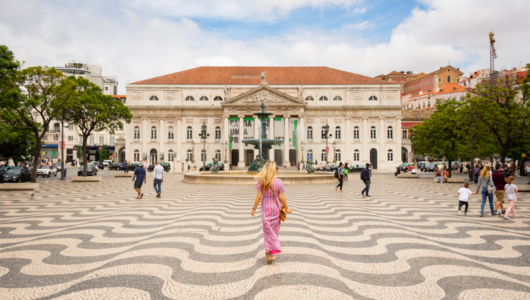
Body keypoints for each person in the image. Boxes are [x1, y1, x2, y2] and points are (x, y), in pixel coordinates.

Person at [251, 161, 292, 264]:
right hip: (276, 209)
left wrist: (254, 209)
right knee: (274, 230)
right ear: (274, 169)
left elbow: (258, 197)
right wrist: (286, 208)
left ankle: (270, 251)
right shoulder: (279, 182)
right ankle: (273, 250)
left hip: (266, 208)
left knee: (267, 230)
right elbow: (281, 197)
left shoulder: (262, 181)